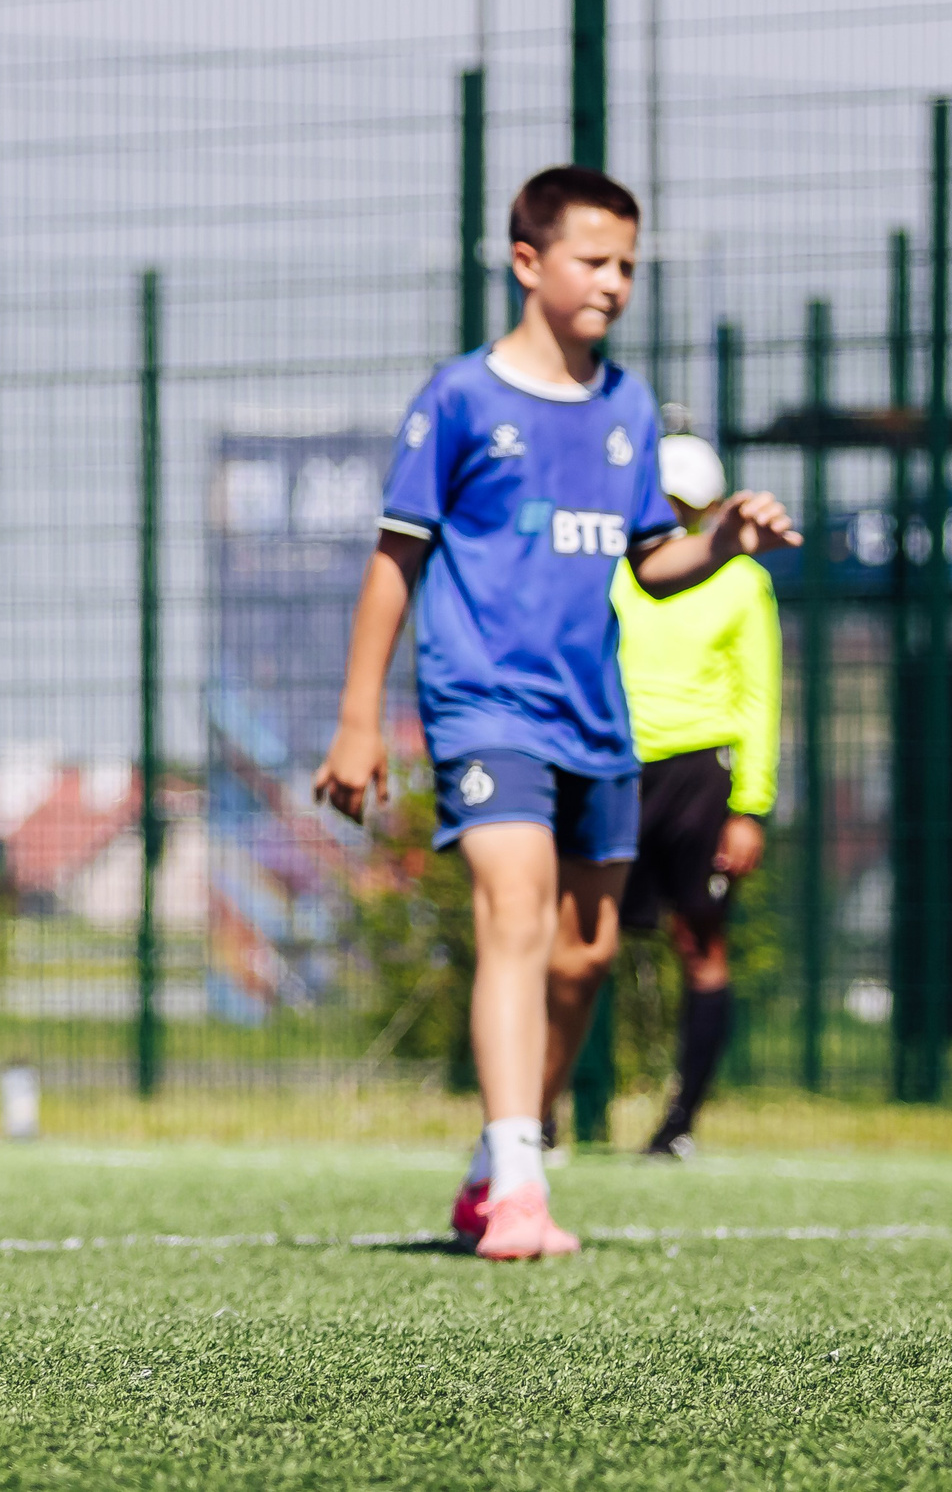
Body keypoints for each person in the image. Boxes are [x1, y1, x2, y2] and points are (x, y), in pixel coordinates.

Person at [313, 166, 798, 1260]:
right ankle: (524, 1176)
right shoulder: (457, 399)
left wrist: (722, 537)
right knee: (514, 913)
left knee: (581, 953)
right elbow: (397, 558)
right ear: (527, 262)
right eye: (594, 259)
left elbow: (652, 560)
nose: (615, 282)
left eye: (628, 263)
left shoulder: (626, 406)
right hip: (483, 702)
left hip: (597, 719)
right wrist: (357, 717)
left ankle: (497, 1156)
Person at [611, 433, 779, 1159]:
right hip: (614, 767)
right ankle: (538, 1119)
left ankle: (679, 1124)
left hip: (700, 777)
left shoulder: (741, 578)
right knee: (576, 942)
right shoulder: (613, 569)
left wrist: (749, 805)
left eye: (688, 508)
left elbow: (759, 695)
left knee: (700, 944)